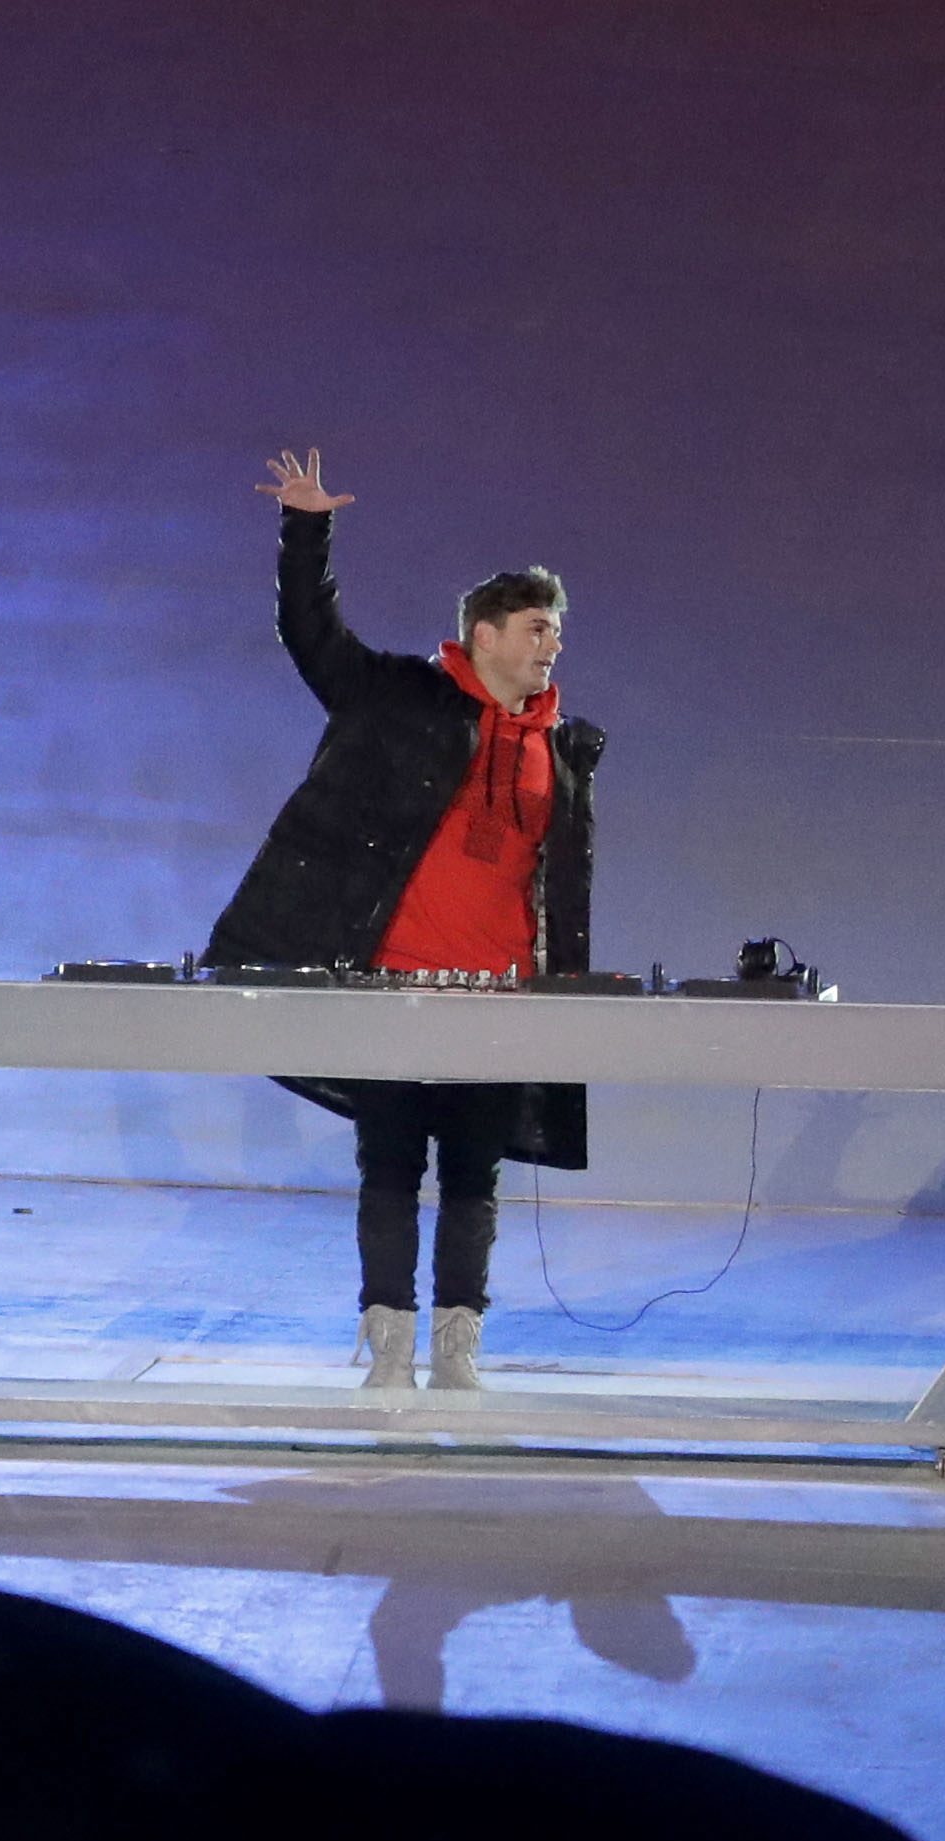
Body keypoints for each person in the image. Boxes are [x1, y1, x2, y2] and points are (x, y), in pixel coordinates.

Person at [201, 448, 602, 1393]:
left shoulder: (562, 748)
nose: (551, 646)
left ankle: (458, 1344)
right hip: (389, 982)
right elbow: (310, 634)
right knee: (387, 1166)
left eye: (556, 633)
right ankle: (387, 1340)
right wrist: (307, 529)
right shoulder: (396, 697)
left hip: (500, 996)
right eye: (538, 628)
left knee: (473, 1176)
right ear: (486, 633)